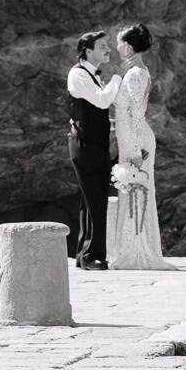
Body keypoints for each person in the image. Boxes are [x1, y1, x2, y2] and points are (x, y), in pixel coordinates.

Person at [109, 23, 172, 270]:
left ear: (129, 45)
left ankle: (137, 251)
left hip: (136, 141)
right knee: (133, 192)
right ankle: (131, 248)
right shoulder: (135, 71)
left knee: (138, 192)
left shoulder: (136, 74)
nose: (117, 46)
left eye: (120, 42)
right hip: (128, 138)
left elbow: (136, 114)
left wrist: (136, 152)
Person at [67, 30, 120, 268]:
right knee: (96, 200)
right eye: (102, 46)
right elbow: (101, 101)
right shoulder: (78, 74)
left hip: (95, 145)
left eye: (107, 45)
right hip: (85, 145)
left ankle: (84, 255)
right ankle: (92, 256)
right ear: (88, 51)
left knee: (90, 200)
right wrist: (118, 80)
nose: (108, 49)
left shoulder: (93, 75)